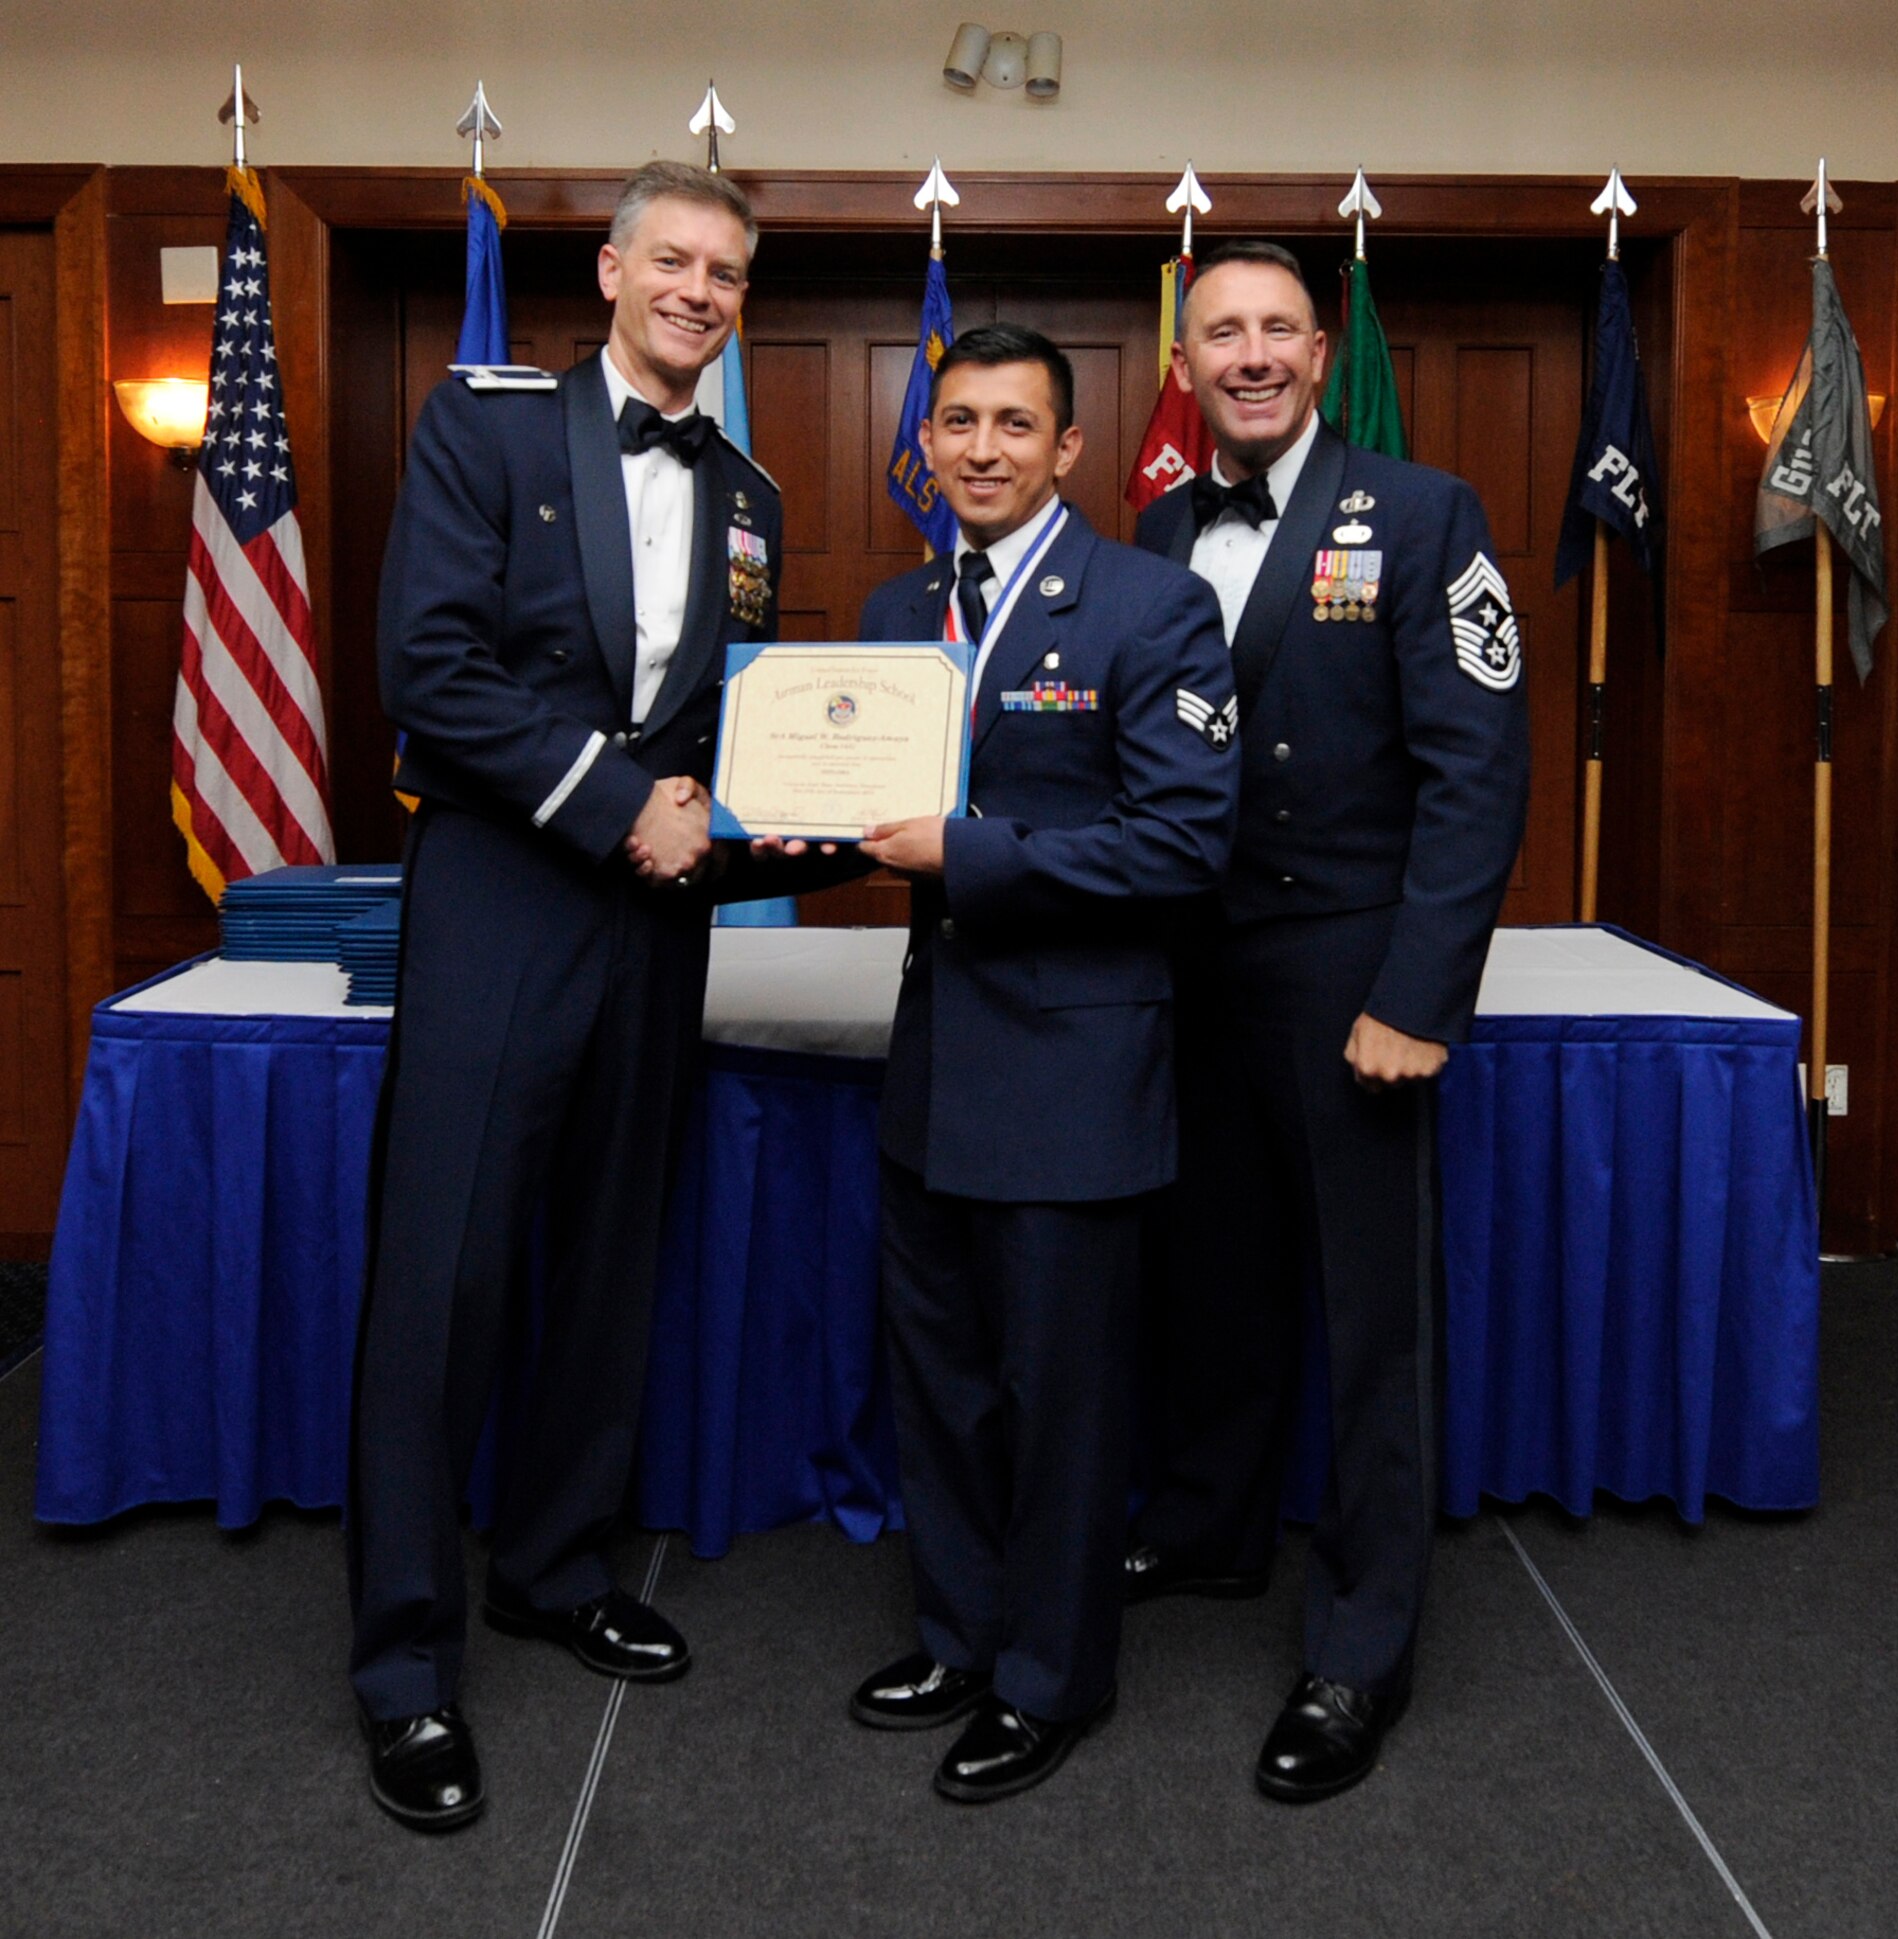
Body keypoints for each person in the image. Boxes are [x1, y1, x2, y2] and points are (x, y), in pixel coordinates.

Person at [348, 160, 783, 1831]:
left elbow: (726, 719)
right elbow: (429, 669)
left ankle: (551, 1564)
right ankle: (405, 1663)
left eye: (724, 273)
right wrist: (619, 804)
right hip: (504, 897)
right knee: (445, 1276)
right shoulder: (490, 428)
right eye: (671, 260)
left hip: (655, 923)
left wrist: (777, 811)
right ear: (609, 271)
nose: (696, 293)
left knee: (610, 1256)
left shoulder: (746, 491)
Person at [1129, 241, 1530, 1803]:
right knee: (1214, 1277)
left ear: (1319, 352)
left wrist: (1417, 996)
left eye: (1276, 329)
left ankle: (1364, 1644)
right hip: (1197, 970)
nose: (1248, 354)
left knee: (1371, 1321)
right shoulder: (1163, 526)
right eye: (1220, 331)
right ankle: (1212, 1528)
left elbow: (1476, 773)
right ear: (1188, 362)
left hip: (1350, 975)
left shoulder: (1423, 515)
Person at [845, 323, 1240, 1803]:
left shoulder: (1150, 604)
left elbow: (1185, 843)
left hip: (1074, 1066)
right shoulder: (898, 610)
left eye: (1016, 423)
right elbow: (856, 794)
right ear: (926, 443)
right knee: (941, 1379)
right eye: (959, 422)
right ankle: (959, 1636)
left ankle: (1049, 1679)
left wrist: (971, 854)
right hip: (936, 1058)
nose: (984, 449)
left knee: (1061, 1399)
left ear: (1069, 448)